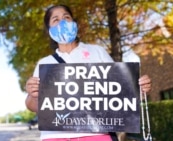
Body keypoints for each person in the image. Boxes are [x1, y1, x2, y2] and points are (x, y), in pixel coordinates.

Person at [25, 4, 152, 141]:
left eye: (66, 17)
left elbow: (122, 92)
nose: (62, 22)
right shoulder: (45, 64)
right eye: (55, 20)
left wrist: (140, 89)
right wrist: (33, 95)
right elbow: (33, 106)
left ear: (74, 23)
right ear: (49, 30)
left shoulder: (97, 52)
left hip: (97, 134)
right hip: (56, 136)